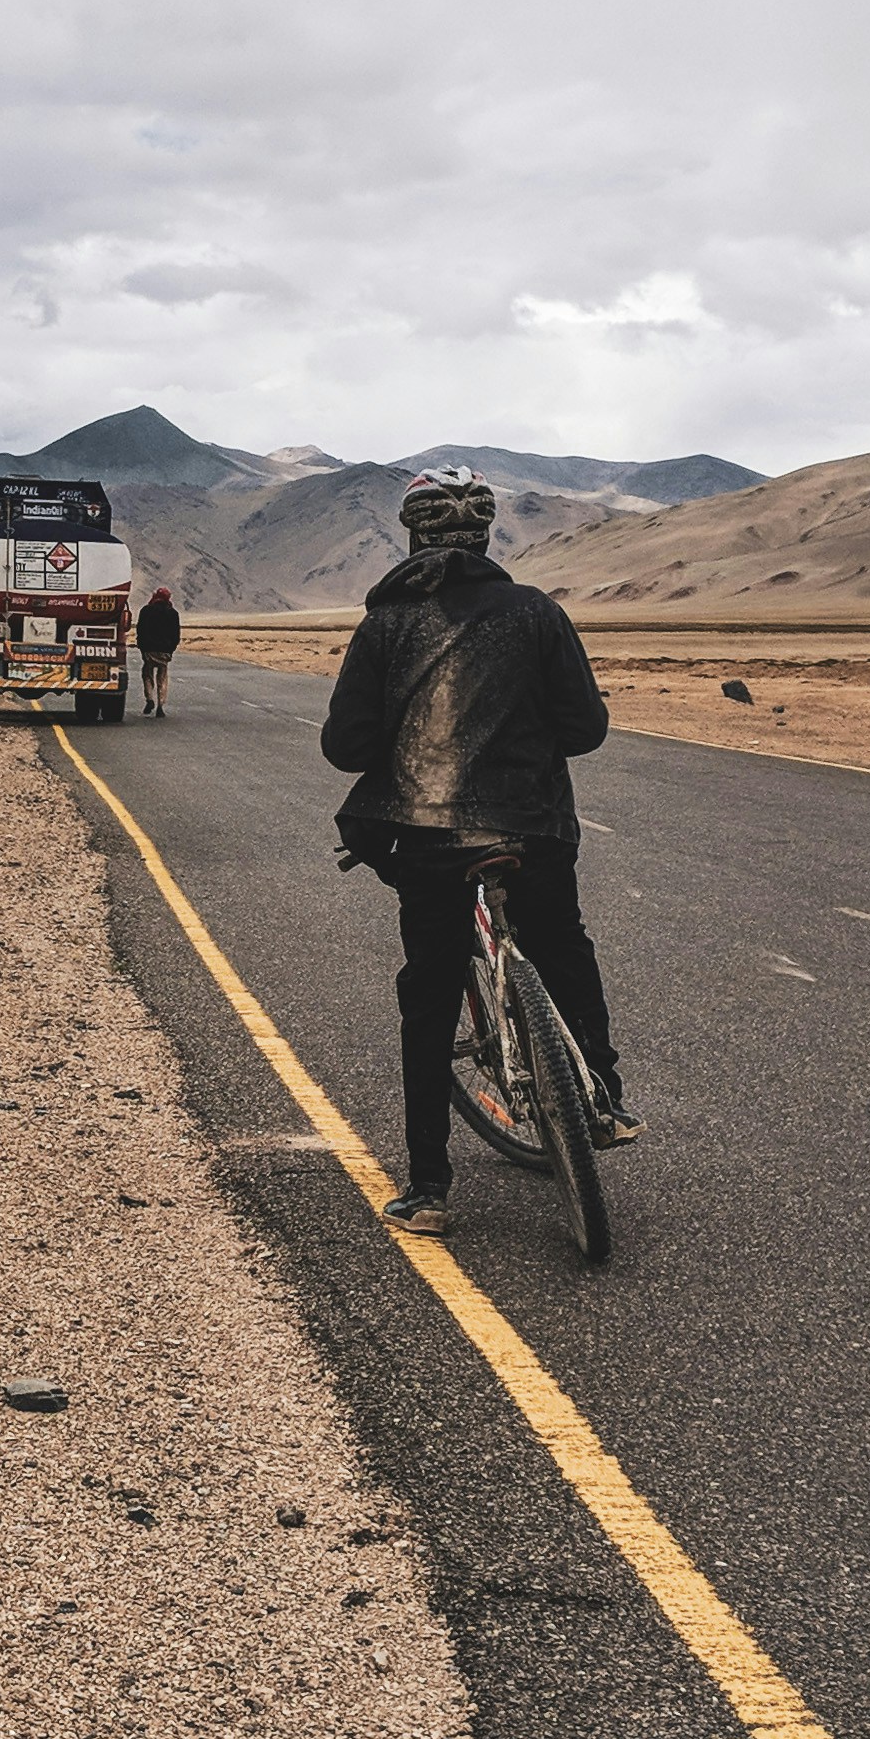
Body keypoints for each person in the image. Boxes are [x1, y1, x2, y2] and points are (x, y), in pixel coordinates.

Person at [320, 466, 637, 1236]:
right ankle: (604, 1095)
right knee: (561, 941)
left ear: (414, 534)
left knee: (429, 994)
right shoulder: (536, 613)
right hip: (531, 824)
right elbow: (585, 729)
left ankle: (428, 1188)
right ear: (485, 533)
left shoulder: (385, 625)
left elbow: (344, 745)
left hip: (428, 835)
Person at [134, 585, 182, 717]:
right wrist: (171, 649)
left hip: (149, 650)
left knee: (147, 674)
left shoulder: (146, 611)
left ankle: (149, 698)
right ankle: (161, 705)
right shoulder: (173, 613)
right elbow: (176, 635)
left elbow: (141, 630)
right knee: (162, 677)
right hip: (165, 651)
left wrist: (142, 647)